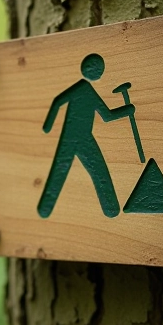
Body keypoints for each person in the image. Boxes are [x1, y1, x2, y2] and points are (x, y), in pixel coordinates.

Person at [37, 53, 134, 218]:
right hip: (69, 137)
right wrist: (48, 125)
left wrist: (127, 110)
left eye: (99, 68)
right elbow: (57, 101)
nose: (97, 71)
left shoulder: (90, 92)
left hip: (84, 138)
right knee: (60, 171)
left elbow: (106, 115)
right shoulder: (81, 87)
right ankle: (44, 210)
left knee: (99, 171)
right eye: (94, 67)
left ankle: (111, 210)